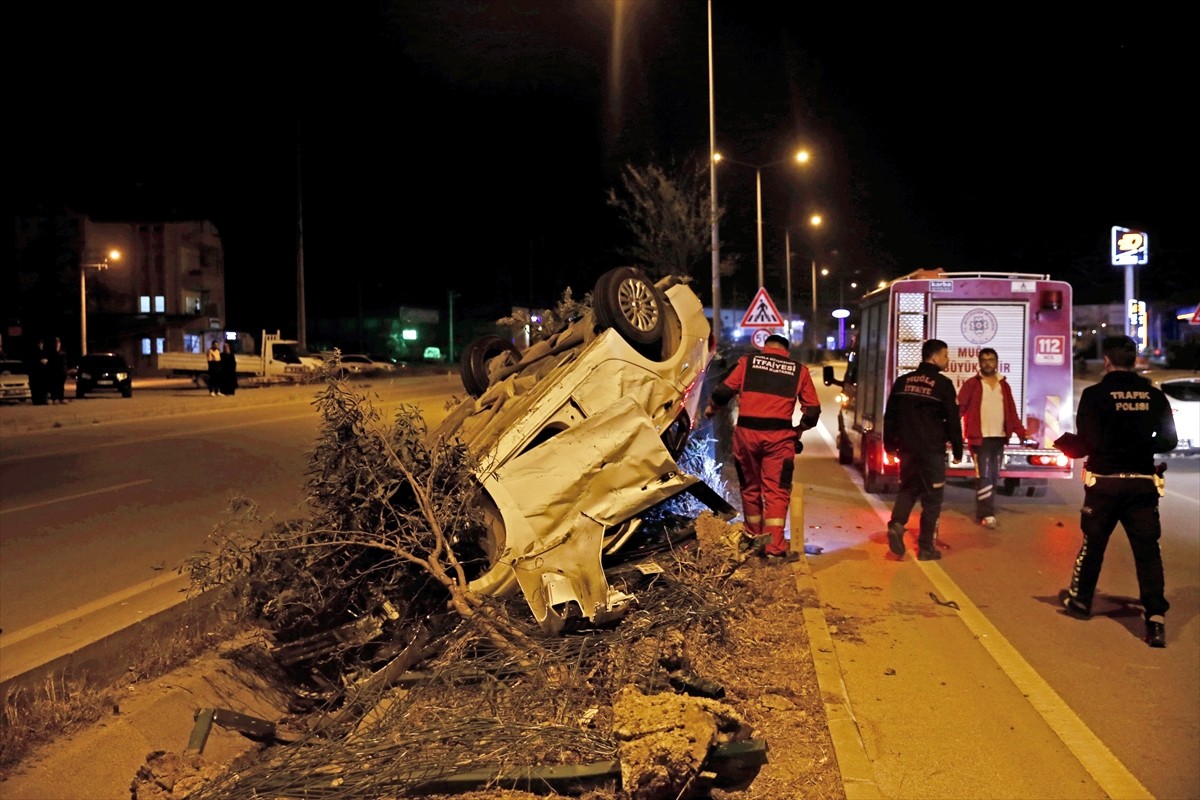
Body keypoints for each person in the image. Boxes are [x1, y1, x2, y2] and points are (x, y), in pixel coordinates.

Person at [1057, 335, 1176, 648]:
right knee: (1148, 552)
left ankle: (1081, 602)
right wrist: (1139, 446)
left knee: (1093, 544)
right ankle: (1155, 619)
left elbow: (1088, 442)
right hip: (1141, 484)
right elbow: (1168, 442)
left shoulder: (1095, 395)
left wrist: (1067, 443)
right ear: (1134, 361)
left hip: (1104, 484)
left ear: (1106, 360)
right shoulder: (1154, 396)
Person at [704, 333, 820, 563]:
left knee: (749, 488)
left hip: (746, 436)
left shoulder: (747, 363)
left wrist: (712, 409)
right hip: (779, 439)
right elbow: (813, 411)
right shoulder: (799, 371)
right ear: (785, 352)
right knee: (776, 493)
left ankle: (754, 540)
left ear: (765, 349)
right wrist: (800, 429)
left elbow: (722, 391)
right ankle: (775, 550)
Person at [883, 338, 963, 560]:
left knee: (908, 489)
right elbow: (953, 421)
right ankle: (926, 548)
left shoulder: (902, 382)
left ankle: (897, 525)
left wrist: (889, 445)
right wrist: (958, 450)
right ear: (935, 357)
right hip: (932, 452)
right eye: (945, 355)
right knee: (932, 499)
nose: (947, 360)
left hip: (907, 449)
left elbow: (890, 416)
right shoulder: (943, 385)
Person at [957, 347, 1027, 529]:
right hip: (980, 439)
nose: (988, 363)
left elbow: (1011, 411)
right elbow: (960, 409)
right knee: (984, 476)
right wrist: (946, 428)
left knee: (994, 475)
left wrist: (1020, 432)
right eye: (984, 360)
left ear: (997, 362)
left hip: (999, 437)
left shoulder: (1004, 385)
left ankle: (987, 509)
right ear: (979, 363)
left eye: (991, 359)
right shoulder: (971, 384)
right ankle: (985, 513)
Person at [46, 337, 69, 404]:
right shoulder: (51, 352)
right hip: (54, 372)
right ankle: (55, 398)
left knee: (61, 386)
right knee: (54, 386)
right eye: (56, 343)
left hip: (62, 372)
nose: (57, 344)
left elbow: (65, 362)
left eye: (58, 343)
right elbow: (50, 362)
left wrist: (66, 370)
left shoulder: (63, 352)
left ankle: (61, 398)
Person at [27, 339, 49, 405]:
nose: (41, 345)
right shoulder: (34, 352)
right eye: (40, 344)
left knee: (43, 389)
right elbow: (32, 362)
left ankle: (43, 401)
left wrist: (46, 361)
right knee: (37, 389)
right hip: (36, 375)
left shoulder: (44, 352)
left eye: (42, 344)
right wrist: (40, 361)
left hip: (43, 374)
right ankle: (37, 401)